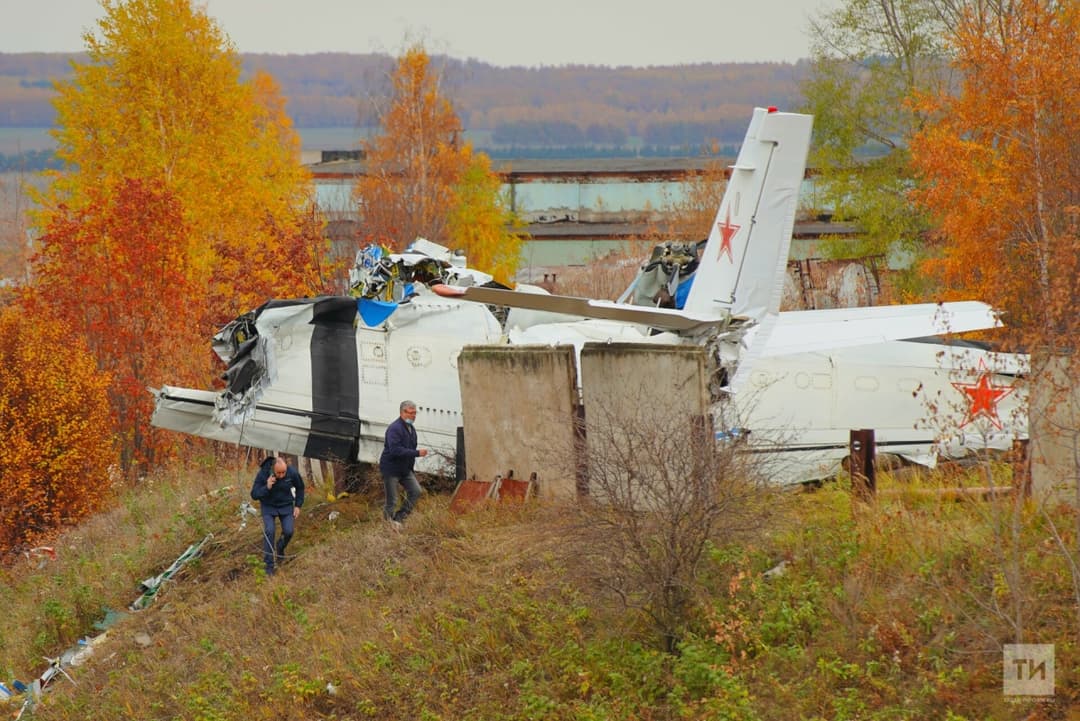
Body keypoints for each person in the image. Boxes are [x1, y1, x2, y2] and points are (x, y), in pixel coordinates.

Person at [250, 456, 305, 575]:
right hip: (268, 506)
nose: (281, 475)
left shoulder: (292, 473)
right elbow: (254, 494)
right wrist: (267, 487)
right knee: (269, 531)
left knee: (289, 531)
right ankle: (269, 567)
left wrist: (298, 506)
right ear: (273, 469)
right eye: (278, 473)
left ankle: (280, 548)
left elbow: (300, 488)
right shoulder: (263, 473)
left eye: (283, 472)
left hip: (285, 505)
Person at [379, 400, 428, 530]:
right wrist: (417, 453)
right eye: (410, 413)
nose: (413, 416)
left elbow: (409, 449)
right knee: (392, 500)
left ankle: (399, 518)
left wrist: (411, 469)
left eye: (414, 413)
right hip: (391, 469)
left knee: (416, 491)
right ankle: (387, 525)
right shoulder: (394, 429)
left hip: (405, 470)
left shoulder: (411, 428)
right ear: (402, 412)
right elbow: (395, 450)